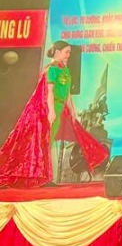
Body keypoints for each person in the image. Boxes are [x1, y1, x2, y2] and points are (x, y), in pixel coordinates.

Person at [0, 40, 108, 188]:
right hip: (48, 109)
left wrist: (73, 112)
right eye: (66, 52)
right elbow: (49, 92)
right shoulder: (51, 70)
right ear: (57, 52)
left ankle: (44, 177)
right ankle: (41, 178)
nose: (68, 55)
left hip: (60, 107)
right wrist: (51, 111)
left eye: (70, 52)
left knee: (49, 143)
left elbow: (67, 94)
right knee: (43, 143)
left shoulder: (66, 71)